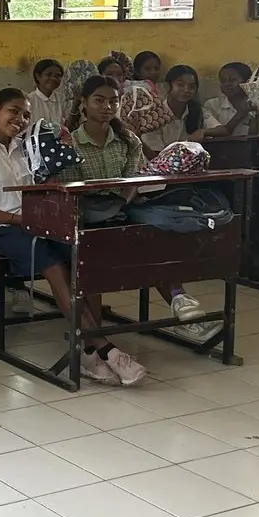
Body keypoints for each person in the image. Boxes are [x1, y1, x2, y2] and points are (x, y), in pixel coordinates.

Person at [0, 87, 146, 386]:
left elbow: (46, 187)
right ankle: (105, 349)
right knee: (55, 266)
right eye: (13, 111)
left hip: (36, 223)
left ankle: (87, 351)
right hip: (0, 229)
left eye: (26, 114)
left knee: (83, 259)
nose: (19, 119)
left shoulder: (27, 148)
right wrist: (18, 219)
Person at [61, 76, 214, 341]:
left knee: (151, 235)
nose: (107, 107)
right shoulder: (70, 143)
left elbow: (135, 180)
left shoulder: (128, 139)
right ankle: (94, 335)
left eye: (113, 101)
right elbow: (72, 191)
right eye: (99, 100)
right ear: (83, 104)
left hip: (123, 206)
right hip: (87, 213)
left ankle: (180, 302)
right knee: (96, 247)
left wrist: (124, 198)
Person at [141, 64, 205, 155]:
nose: (186, 90)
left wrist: (203, 131)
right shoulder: (153, 115)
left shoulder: (196, 111)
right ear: (167, 86)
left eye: (191, 86)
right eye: (180, 85)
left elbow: (223, 129)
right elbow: (155, 156)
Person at [204, 62, 255, 137]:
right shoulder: (213, 105)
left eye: (233, 80)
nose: (227, 84)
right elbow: (219, 134)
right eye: (223, 81)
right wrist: (241, 113)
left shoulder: (257, 103)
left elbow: (258, 137)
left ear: (247, 82)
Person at [28, 59, 67, 126]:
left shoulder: (62, 99)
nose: (53, 78)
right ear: (38, 76)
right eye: (48, 74)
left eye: (57, 76)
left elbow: (67, 126)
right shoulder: (29, 100)